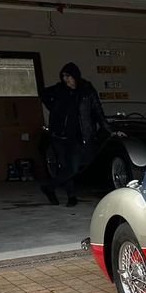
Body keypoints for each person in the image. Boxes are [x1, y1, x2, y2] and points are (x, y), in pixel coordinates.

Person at [40, 62, 112, 206]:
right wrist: (53, 108)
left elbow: (98, 111)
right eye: (64, 76)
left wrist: (110, 129)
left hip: (78, 136)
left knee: (73, 167)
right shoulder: (59, 90)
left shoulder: (87, 90)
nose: (66, 79)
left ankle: (49, 187)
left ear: (76, 76)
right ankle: (71, 197)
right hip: (59, 136)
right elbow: (43, 94)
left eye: (69, 76)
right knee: (64, 166)